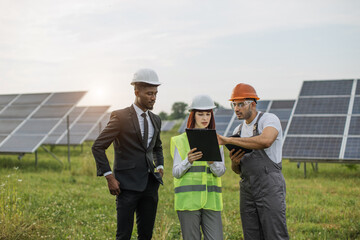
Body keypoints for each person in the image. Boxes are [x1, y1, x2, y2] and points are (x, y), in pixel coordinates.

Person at [92, 68, 164, 240]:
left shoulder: (156, 119)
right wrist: (109, 177)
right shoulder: (121, 116)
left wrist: (160, 166)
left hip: (150, 186)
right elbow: (98, 146)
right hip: (126, 187)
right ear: (136, 92)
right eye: (149, 93)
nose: (153, 97)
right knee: (123, 235)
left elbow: (157, 147)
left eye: (155, 93)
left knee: (146, 235)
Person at [217, 83, 289, 240]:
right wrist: (234, 162)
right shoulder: (238, 131)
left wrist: (227, 140)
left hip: (269, 184)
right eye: (234, 104)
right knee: (251, 234)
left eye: (241, 104)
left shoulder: (269, 120)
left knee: (274, 233)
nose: (236, 108)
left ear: (253, 104)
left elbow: (266, 140)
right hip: (247, 188)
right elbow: (237, 170)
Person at [170, 94, 226, 240]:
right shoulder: (180, 141)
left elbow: (221, 172)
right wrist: (187, 161)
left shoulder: (216, 139)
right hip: (188, 202)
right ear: (193, 115)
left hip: (211, 202)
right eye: (200, 114)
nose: (205, 118)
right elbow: (176, 172)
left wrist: (212, 162)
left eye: (208, 114)